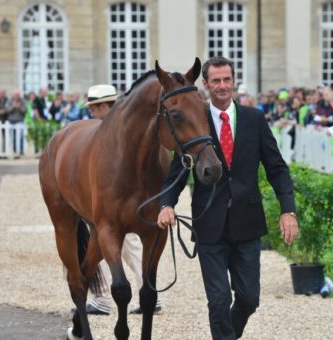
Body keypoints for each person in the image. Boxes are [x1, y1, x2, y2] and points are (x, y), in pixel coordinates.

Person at [156, 56, 298, 340]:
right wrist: (166, 203)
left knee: (248, 299)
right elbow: (178, 171)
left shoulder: (254, 119)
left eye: (226, 80)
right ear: (205, 84)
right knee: (218, 301)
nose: (222, 86)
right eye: (216, 81)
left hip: (248, 222)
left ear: (233, 82)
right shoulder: (197, 118)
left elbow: (277, 169)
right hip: (209, 224)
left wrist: (288, 210)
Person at [74, 84, 161, 316]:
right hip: (122, 201)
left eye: (94, 108)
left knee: (109, 242)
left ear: (105, 107)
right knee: (124, 244)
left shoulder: (114, 134)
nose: (91, 113)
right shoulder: (120, 130)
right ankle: (145, 290)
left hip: (115, 202)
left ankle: (105, 297)